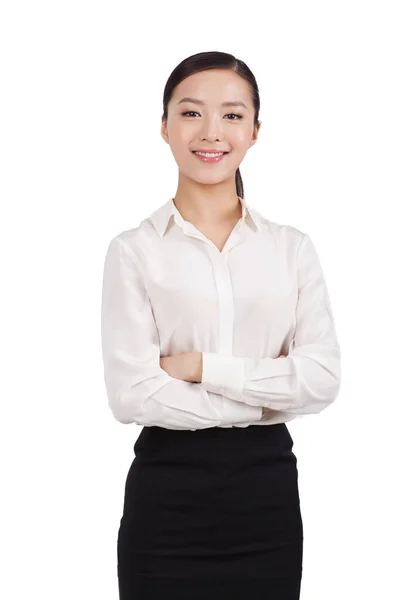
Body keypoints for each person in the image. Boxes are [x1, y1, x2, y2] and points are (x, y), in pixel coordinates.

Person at [100, 50, 341, 599]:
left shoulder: (291, 249)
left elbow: (322, 379)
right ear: (164, 127)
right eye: (191, 113)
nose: (212, 132)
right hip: (166, 501)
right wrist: (269, 397)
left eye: (232, 115)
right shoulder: (134, 251)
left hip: (267, 501)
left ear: (255, 131)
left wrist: (200, 367)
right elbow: (132, 397)